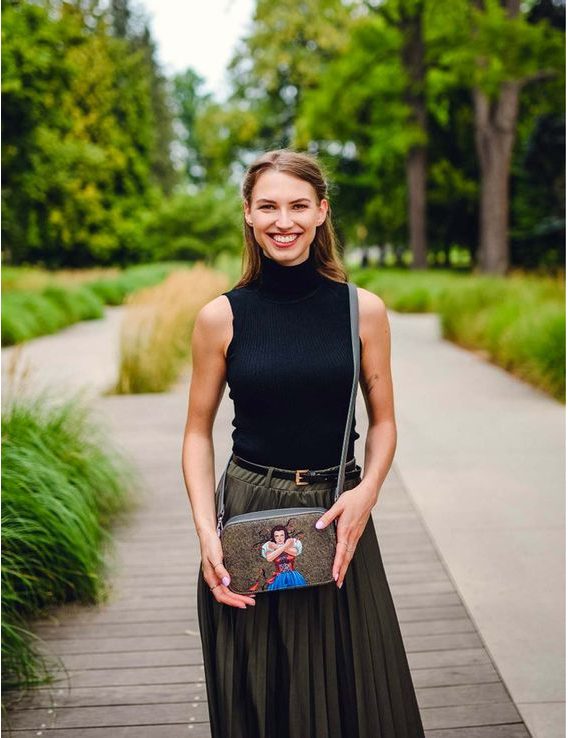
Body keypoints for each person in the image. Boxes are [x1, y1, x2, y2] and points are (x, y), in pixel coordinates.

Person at [181, 149, 426, 738]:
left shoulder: (361, 311)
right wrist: (206, 532)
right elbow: (195, 433)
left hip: (337, 512)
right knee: (262, 688)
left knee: (356, 686)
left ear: (321, 212)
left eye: (297, 205)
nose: (282, 220)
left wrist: (367, 491)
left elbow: (385, 421)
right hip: (248, 510)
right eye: (267, 206)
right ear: (247, 214)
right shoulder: (221, 317)